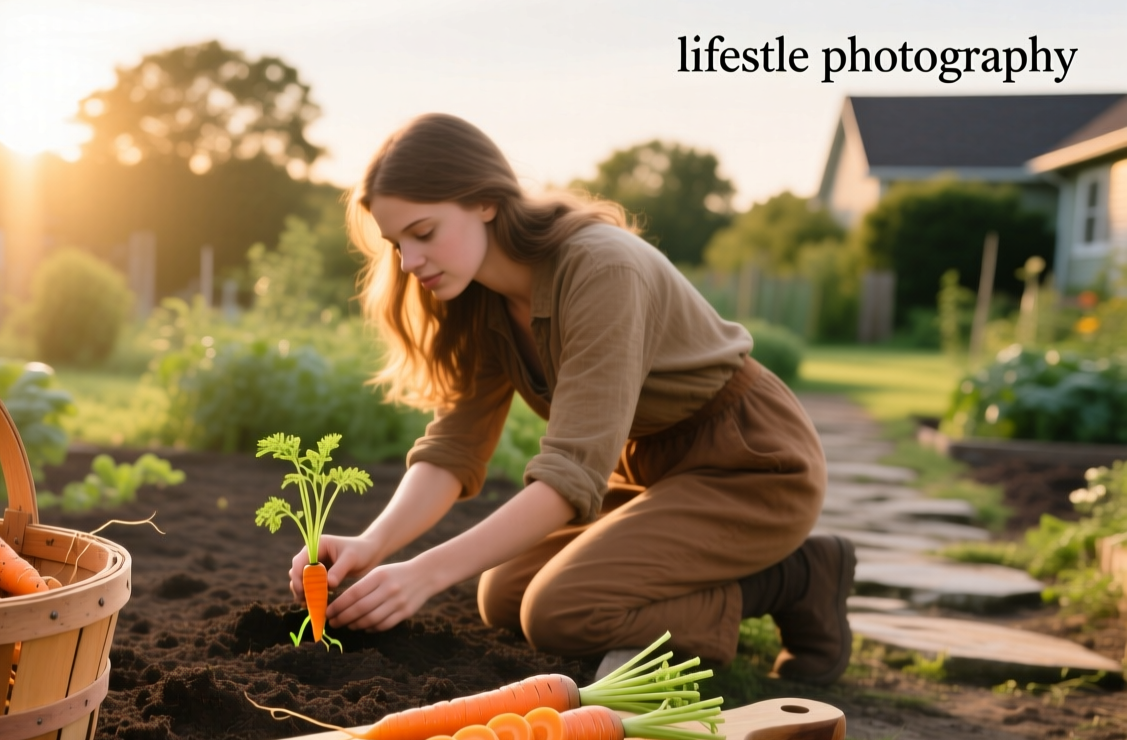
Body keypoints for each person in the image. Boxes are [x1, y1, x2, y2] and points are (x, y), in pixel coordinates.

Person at [286, 113, 855, 684]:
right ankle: (741, 580)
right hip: (654, 471)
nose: (409, 262)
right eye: (397, 244)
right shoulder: (480, 299)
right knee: (503, 595)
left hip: (750, 465)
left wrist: (425, 573)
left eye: (424, 233)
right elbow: (454, 446)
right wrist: (372, 542)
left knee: (561, 611)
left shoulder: (601, 268)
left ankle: (797, 578)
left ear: (485, 201)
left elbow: (571, 473)